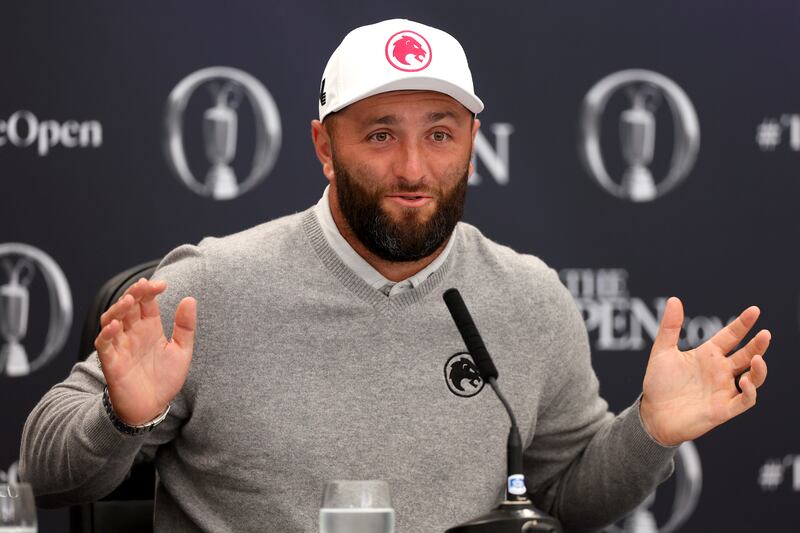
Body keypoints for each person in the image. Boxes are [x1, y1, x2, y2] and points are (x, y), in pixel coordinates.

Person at [19, 19, 770, 533]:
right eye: (380, 136)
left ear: (473, 143)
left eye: (439, 135)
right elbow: (46, 475)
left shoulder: (528, 297)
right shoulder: (210, 287)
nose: (414, 169)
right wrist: (119, 417)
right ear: (324, 146)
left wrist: (649, 432)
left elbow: (568, 500)